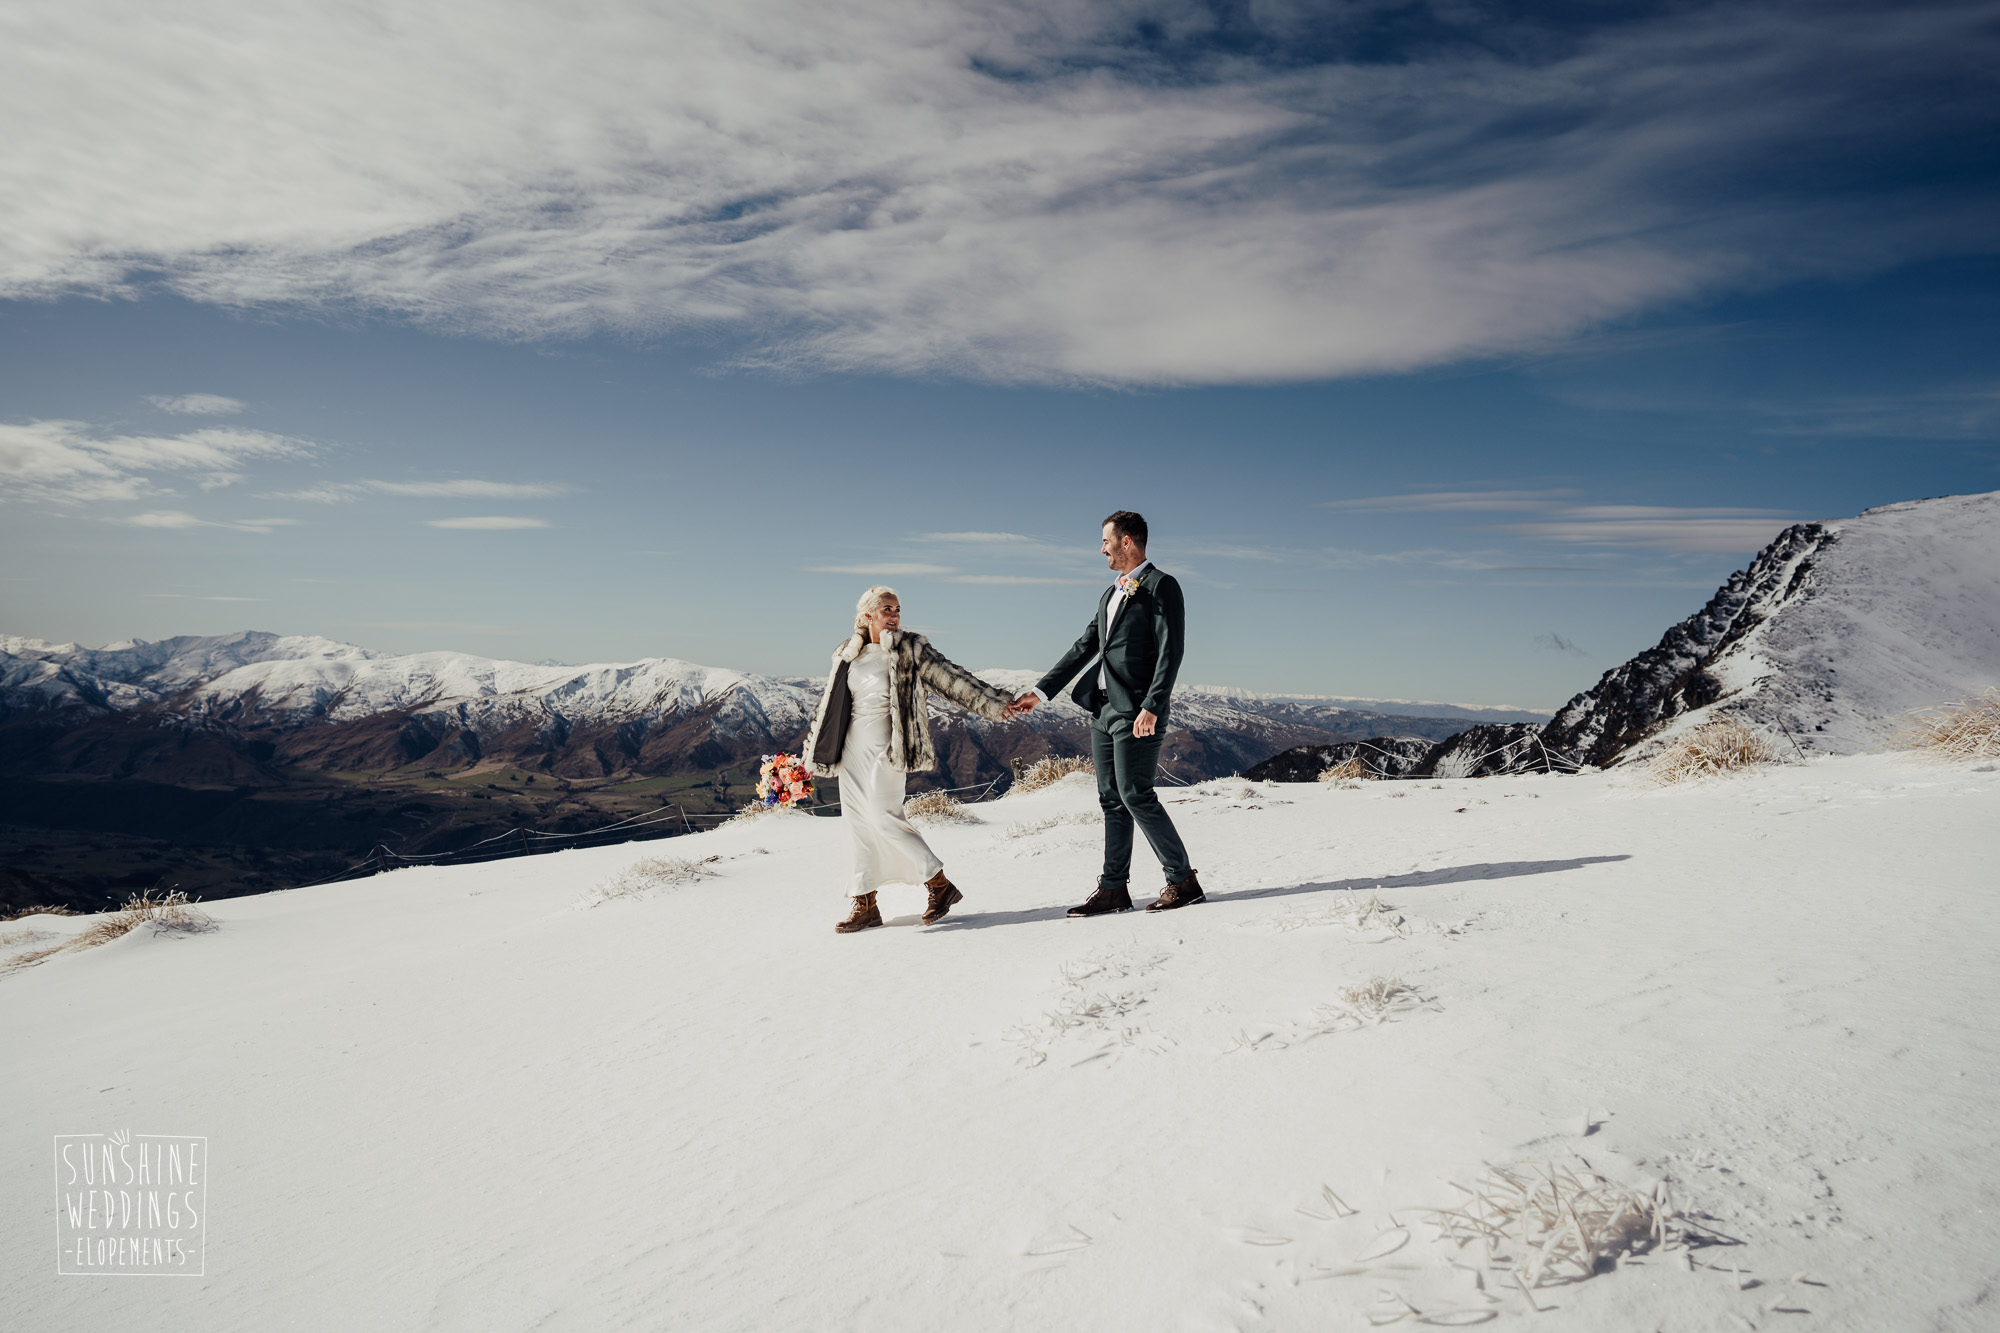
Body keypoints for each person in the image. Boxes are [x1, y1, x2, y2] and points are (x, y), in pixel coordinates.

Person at [1008, 511, 1202, 915]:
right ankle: (1114, 890)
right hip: (1102, 708)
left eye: (1105, 541)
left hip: (1137, 709)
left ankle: (1183, 881)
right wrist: (1040, 693)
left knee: (1135, 793)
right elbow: (1084, 646)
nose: (1102, 550)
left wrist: (1152, 705)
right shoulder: (1110, 593)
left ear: (1126, 541)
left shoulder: (1162, 586)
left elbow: (1171, 650)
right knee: (1111, 798)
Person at [800, 586, 1016, 934]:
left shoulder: (909, 649)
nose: (894, 615)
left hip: (889, 746)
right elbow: (829, 706)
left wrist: (995, 703)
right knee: (857, 824)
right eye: (887, 609)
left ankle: (939, 884)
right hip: (852, 748)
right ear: (867, 615)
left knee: (884, 817)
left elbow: (952, 680)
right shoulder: (846, 652)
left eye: (897, 609)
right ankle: (865, 905)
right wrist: (812, 752)